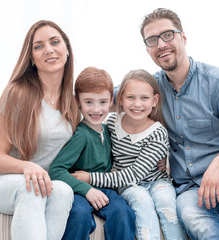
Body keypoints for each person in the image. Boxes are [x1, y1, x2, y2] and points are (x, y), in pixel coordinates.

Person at [137, 8, 219, 240]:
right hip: (191, 190)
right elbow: (103, 96)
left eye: (168, 35)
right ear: (147, 48)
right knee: (189, 214)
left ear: (183, 37)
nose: (161, 44)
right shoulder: (149, 90)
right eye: (152, 40)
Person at [0, 20, 81, 240]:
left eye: (54, 42)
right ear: (32, 58)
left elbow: (114, 96)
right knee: (32, 189)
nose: (48, 50)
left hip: (42, 184)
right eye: (38, 46)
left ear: (66, 49)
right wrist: (27, 167)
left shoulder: (73, 102)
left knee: (63, 191)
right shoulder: (18, 93)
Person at [73, 69, 188, 240]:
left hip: (157, 181)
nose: (137, 104)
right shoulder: (112, 123)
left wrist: (90, 178)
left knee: (166, 203)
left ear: (155, 100)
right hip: (127, 186)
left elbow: (134, 173)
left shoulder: (157, 133)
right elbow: (101, 149)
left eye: (144, 98)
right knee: (141, 201)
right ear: (120, 99)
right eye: (130, 97)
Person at [48, 67, 136, 240]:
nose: (96, 109)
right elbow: (55, 171)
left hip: (105, 188)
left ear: (111, 101)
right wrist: (87, 190)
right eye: (89, 102)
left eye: (102, 102)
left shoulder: (108, 128)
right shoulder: (81, 135)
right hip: (80, 191)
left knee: (123, 212)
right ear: (78, 101)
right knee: (79, 215)